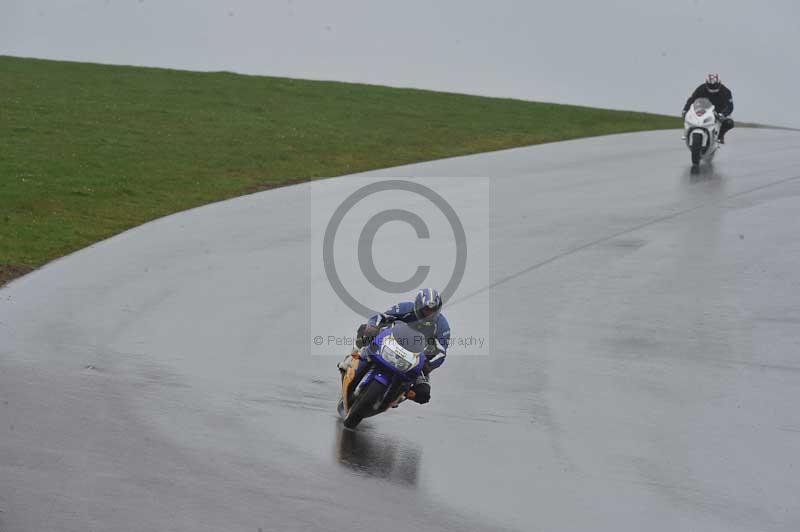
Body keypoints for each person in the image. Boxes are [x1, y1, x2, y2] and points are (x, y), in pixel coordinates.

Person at [338, 288, 450, 404]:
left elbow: (442, 352)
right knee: (364, 329)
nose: (429, 314)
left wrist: (429, 365)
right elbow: (381, 317)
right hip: (391, 344)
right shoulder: (405, 308)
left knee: (423, 394)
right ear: (417, 306)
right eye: (426, 310)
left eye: (433, 311)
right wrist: (372, 325)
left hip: (416, 359)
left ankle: (400, 395)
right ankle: (352, 357)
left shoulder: (442, 325)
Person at [683, 73, 735, 143]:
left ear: (719, 83)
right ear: (707, 83)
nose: (713, 88)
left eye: (715, 86)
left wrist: (723, 114)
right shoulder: (701, 88)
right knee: (688, 116)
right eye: (711, 86)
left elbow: (730, 106)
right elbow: (692, 99)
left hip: (720, 111)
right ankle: (687, 133)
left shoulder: (726, 91)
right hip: (704, 109)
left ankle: (720, 136)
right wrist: (685, 109)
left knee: (729, 123)